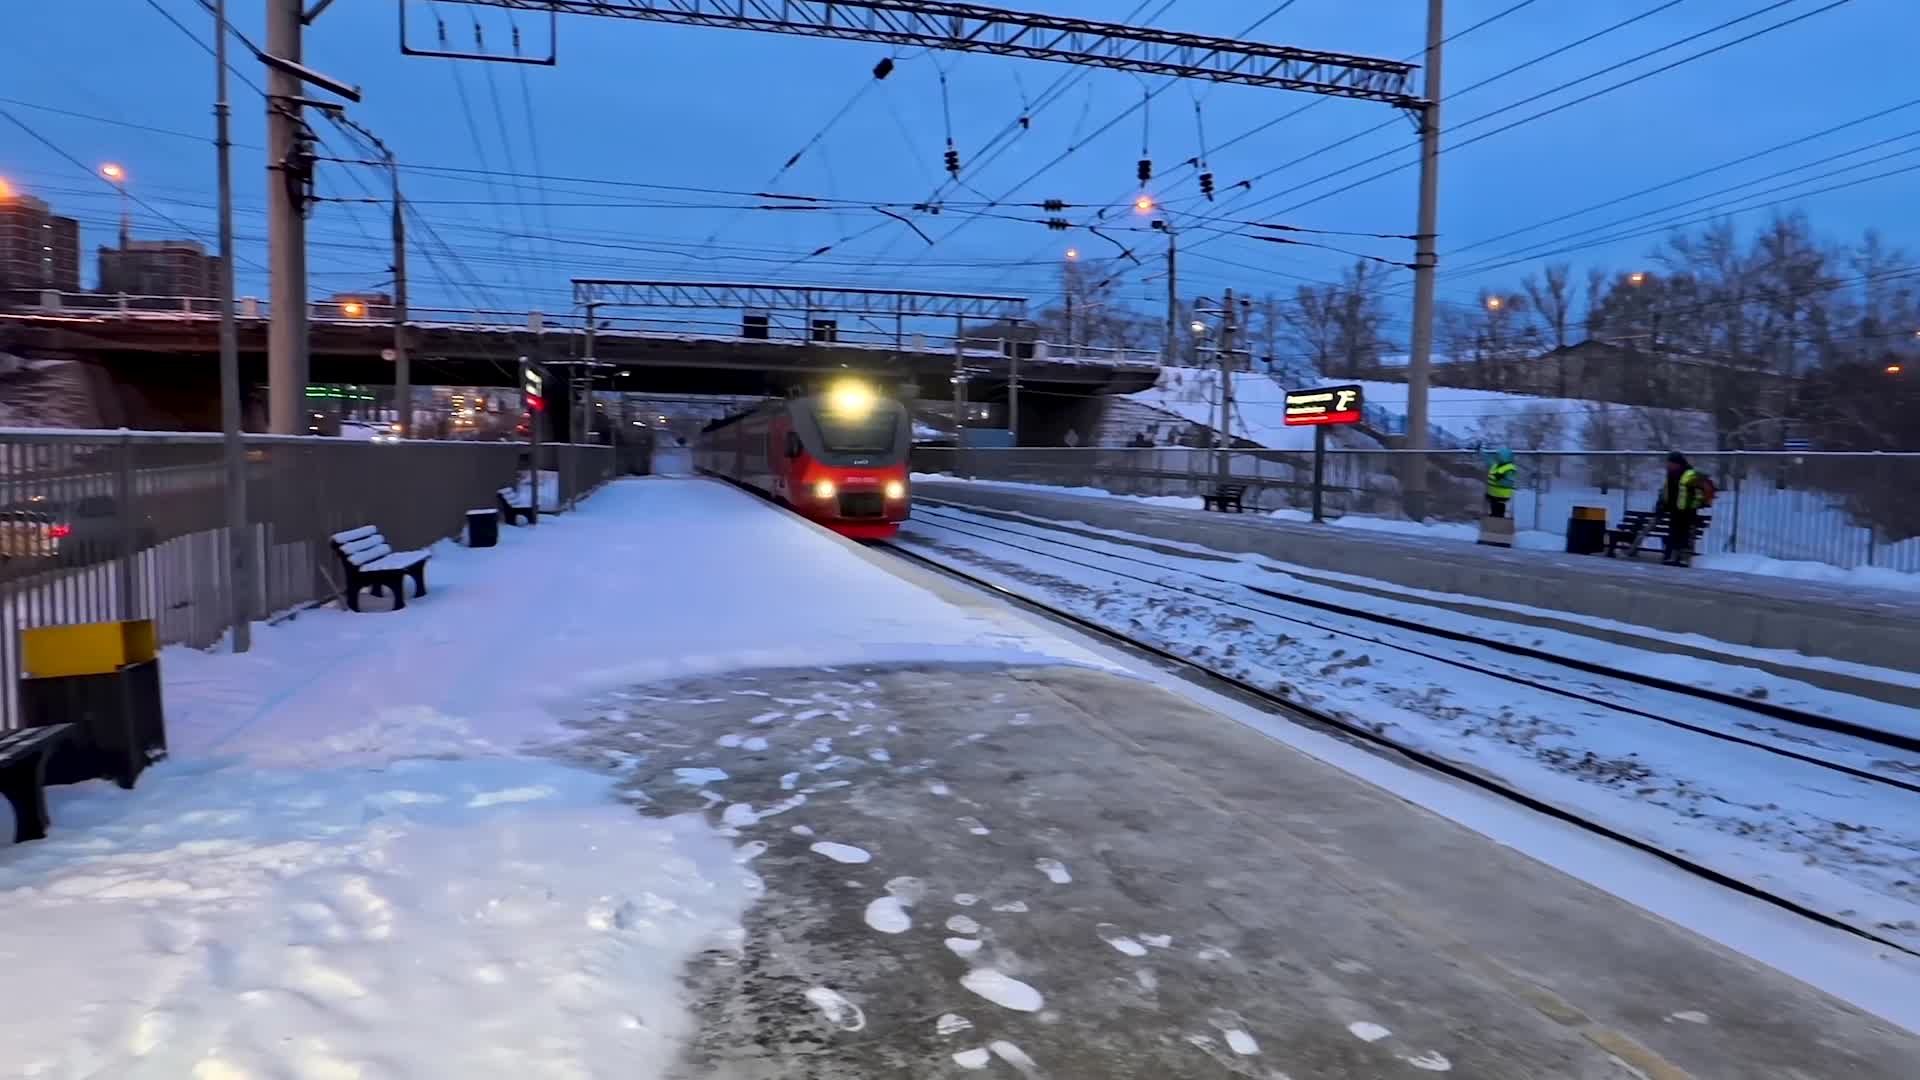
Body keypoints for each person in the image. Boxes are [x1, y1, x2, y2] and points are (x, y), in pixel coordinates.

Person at [1655, 451, 1715, 566]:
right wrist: (1661, 503)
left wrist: (1698, 503)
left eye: (1670, 463)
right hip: (1675, 509)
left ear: (1677, 463)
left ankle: (1683, 557)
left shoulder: (1689, 474)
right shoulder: (1671, 475)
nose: (1668, 465)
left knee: (1684, 533)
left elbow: (1701, 489)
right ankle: (1673, 556)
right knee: (1674, 532)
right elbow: (1667, 491)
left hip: (1687, 510)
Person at [1485, 447, 1516, 518]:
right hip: (1493, 494)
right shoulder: (1496, 465)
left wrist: (1499, 479)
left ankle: (1498, 520)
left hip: (1501, 495)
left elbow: (1509, 483)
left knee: (1499, 510)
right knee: (1493, 509)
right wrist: (1480, 451)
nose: (1498, 457)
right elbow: (1487, 460)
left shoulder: (1509, 468)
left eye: (1499, 456)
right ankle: (1494, 519)